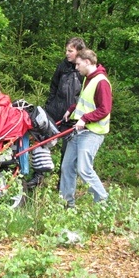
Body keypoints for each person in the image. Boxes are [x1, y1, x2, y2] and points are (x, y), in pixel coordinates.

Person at [59, 49, 112, 208]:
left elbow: (105, 109)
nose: (76, 68)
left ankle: (103, 203)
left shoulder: (101, 82)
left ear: (88, 62)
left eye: (78, 64)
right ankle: (67, 204)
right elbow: (84, 100)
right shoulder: (88, 79)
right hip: (79, 131)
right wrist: (72, 109)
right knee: (66, 166)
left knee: (84, 169)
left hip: (93, 132)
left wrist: (84, 118)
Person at [43, 37, 86, 189]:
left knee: (66, 152)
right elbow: (53, 86)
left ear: (79, 52)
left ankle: (63, 184)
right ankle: (39, 177)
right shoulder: (62, 66)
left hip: (74, 118)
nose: (67, 53)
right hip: (56, 113)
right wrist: (50, 105)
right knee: (42, 144)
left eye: (70, 51)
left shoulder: (84, 70)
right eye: (66, 50)